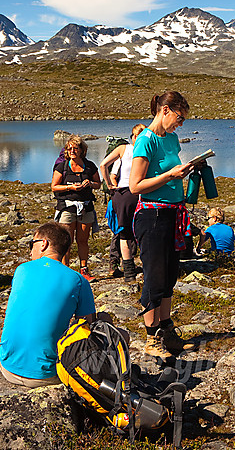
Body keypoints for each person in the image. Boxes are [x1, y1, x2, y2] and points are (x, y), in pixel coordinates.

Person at [129, 91, 196, 359]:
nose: (180, 125)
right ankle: (151, 336)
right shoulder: (146, 140)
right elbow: (135, 185)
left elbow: (170, 170)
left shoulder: (172, 139)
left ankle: (167, 330)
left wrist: (184, 170)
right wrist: (170, 174)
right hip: (152, 216)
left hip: (173, 214)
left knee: (170, 273)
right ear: (165, 110)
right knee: (154, 275)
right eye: (179, 118)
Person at [0, 222, 98, 388]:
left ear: (43, 244)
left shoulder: (21, 270)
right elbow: (86, 328)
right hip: (47, 375)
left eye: (32, 244)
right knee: (102, 322)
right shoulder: (78, 280)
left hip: (8, 367)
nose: (30, 251)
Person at [100, 123, 146, 282]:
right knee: (142, 232)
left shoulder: (124, 149)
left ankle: (129, 273)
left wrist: (110, 186)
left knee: (124, 234)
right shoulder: (148, 149)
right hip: (141, 194)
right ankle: (146, 268)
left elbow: (103, 165)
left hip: (123, 194)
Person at [51, 134, 102, 281]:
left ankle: (84, 270)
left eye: (75, 148)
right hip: (66, 207)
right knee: (66, 240)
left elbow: (98, 183)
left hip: (86, 207)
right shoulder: (62, 167)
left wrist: (90, 184)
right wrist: (70, 187)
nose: (72, 151)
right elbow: (54, 186)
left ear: (81, 150)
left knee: (83, 240)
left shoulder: (90, 166)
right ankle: (65, 271)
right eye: (69, 148)